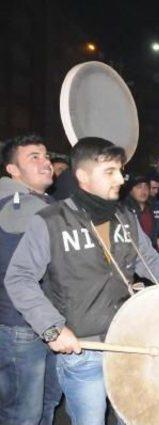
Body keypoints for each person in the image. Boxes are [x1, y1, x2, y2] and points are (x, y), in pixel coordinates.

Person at [4, 137, 159, 425]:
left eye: (120, 171)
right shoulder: (50, 220)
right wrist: (52, 328)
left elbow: (150, 262)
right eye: (110, 172)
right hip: (83, 350)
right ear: (83, 176)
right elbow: (19, 278)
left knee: (137, 417)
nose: (120, 179)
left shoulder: (125, 218)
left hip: (127, 338)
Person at [0, 135, 61, 424]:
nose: (45, 161)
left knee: (47, 402)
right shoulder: (15, 206)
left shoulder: (43, 203)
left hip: (48, 321)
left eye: (46, 155)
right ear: (12, 170)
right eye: (33, 157)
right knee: (24, 414)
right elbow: (20, 275)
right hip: (21, 326)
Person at [123, 175, 159, 246]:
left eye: (146, 187)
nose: (143, 191)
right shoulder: (124, 210)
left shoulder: (155, 208)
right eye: (139, 187)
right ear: (130, 190)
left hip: (152, 254)